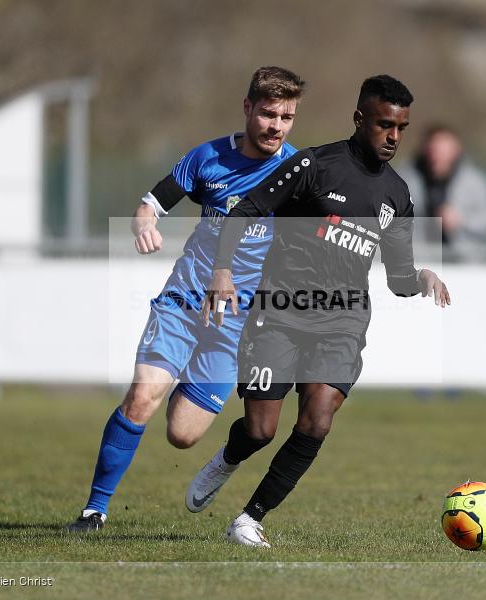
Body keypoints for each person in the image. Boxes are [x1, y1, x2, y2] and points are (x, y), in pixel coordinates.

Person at [189, 75, 450, 547]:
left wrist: (421, 279)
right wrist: (222, 272)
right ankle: (227, 459)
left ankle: (249, 519)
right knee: (260, 430)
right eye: (383, 124)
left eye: (401, 128)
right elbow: (244, 211)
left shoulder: (398, 195)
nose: (393, 137)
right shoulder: (313, 165)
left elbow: (397, 277)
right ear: (359, 119)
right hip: (281, 313)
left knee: (317, 420)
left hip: (342, 322)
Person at [66, 66, 305, 532]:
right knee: (141, 398)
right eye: (269, 113)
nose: (276, 125)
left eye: (287, 116)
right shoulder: (207, 158)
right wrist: (145, 224)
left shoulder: (295, 172)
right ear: (248, 108)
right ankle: (95, 509)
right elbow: (148, 205)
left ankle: (182, 388)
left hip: (235, 323)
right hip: (183, 302)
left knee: (182, 435)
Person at [398, 124, 486, 251]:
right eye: (434, 150)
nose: (437, 156)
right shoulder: (405, 179)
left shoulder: (475, 182)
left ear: (456, 150)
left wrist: (460, 221)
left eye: (444, 151)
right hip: (419, 257)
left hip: (463, 261)